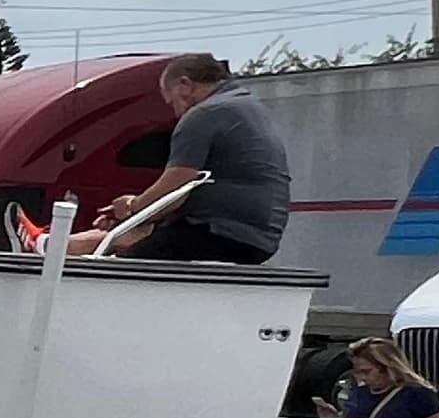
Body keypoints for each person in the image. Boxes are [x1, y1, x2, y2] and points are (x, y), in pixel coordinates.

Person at [77, 53, 292, 263]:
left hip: (218, 233)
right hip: (262, 236)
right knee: (145, 241)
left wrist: (133, 206)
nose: (176, 112)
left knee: (125, 264)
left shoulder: (204, 114)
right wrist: (138, 211)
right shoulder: (248, 107)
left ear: (185, 84)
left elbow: (176, 189)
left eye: (172, 102)